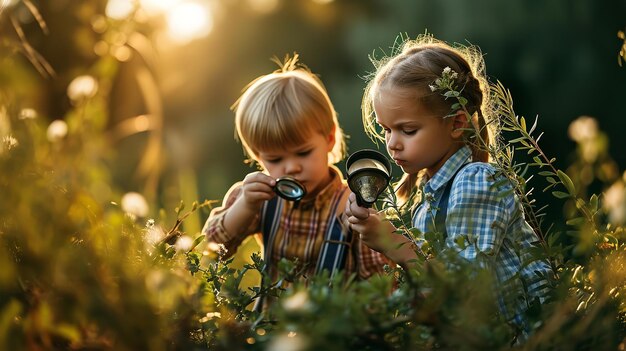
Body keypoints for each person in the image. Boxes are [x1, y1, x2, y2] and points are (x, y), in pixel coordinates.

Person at [344, 34, 554, 335]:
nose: (392, 144)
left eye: (408, 130)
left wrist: (396, 244)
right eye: (386, 129)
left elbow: (462, 287)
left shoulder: (476, 182)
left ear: (457, 123)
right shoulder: (429, 198)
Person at [203, 54, 390, 288]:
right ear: (257, 156)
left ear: (329, 139)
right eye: (275, 158)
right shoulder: (257, 199)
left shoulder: (350, 207)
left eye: (303, 153)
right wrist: (245, 206)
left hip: (334, 322)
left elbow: (380, 282)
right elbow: (212, 249)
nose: (292, 167)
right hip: (272, 323)